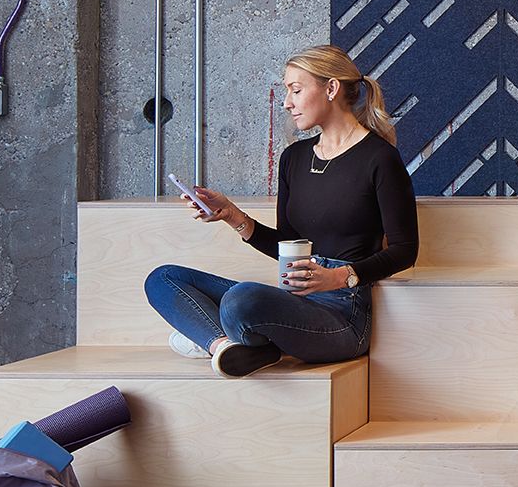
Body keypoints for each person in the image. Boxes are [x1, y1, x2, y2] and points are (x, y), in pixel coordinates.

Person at [144, 44, 419, 377]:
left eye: (296, 90)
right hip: (293, 300)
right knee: (163, 279)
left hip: (343, 314)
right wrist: (232, 214)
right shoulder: (294, 158)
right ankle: (225, 348)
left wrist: (339, 276)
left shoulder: (379, 158)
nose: (287, 102)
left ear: (330, 89)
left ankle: (224, 337)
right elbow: (288, 243)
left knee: (240, 300)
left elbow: (405, 251)